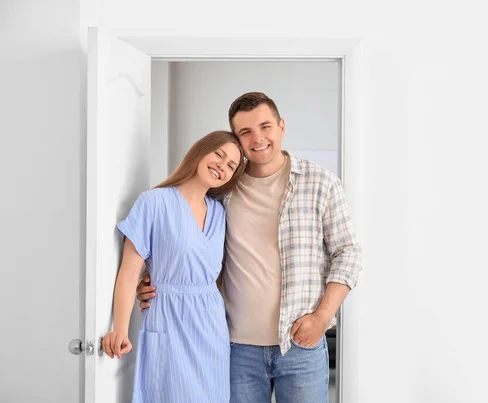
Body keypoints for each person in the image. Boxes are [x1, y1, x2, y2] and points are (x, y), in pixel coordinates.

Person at [137, 92, 362, 402]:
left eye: (265, 126)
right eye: (245, 132)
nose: (258, 138)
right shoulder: (221, 191)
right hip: (234, 348)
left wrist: (322, 318)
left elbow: (348, 252)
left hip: (300, 347)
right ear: (237, 139)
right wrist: (152, 278)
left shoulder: (322, 183)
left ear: (281, 127)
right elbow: (186, 242)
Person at [102, 130, 244, 403]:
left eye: (231, 166)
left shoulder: (219, 213)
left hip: (211, 326)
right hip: (169, 319)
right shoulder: (154, 202)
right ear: (200, 150)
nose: (221, 167)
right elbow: (130, 271)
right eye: (219, 155)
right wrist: (119, 328)